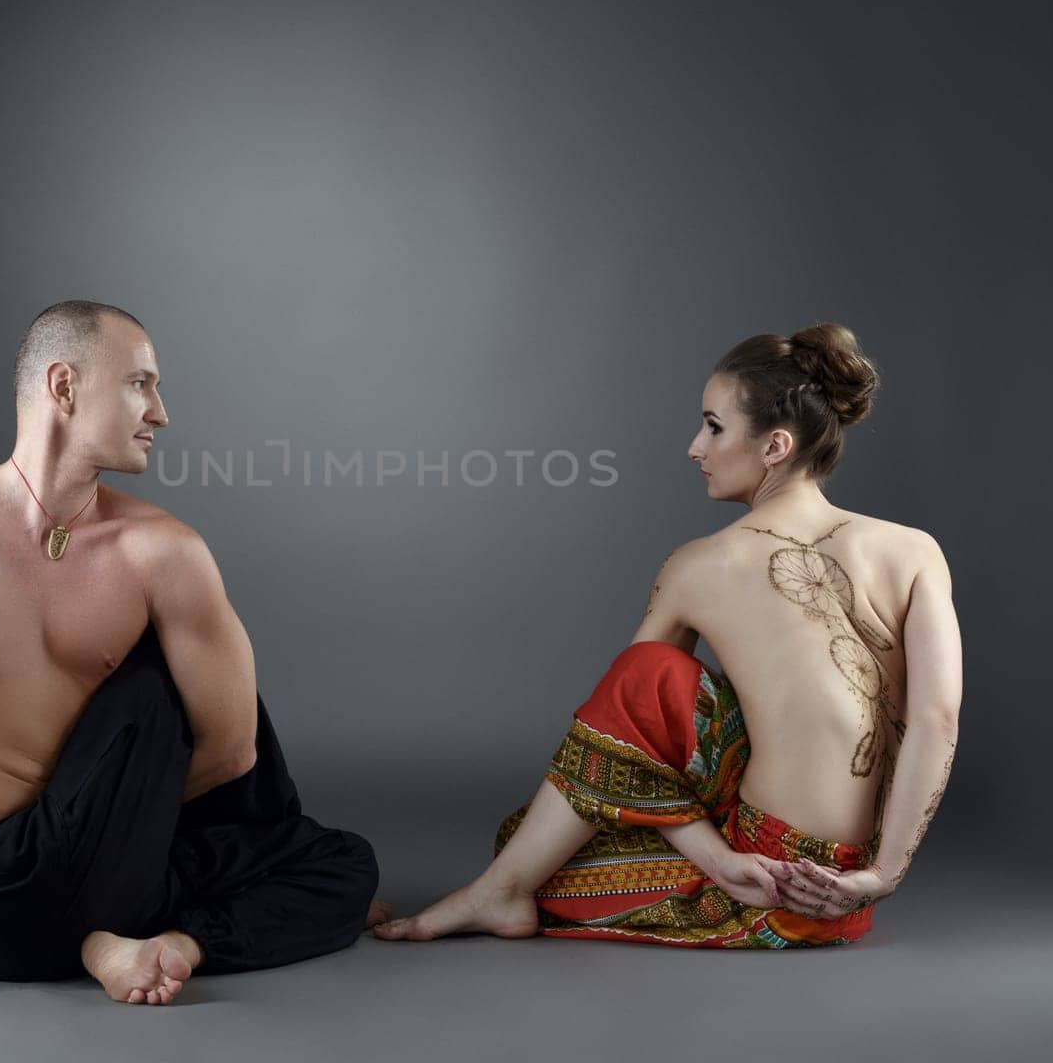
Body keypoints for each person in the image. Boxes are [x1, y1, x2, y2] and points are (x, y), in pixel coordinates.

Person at [0, 300, 386, 1003]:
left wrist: (122, 837)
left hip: (64, 897)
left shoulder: (162, 551)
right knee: (163, 688)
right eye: (140, 384)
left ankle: (145, 943)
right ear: (64, 387)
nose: (161, 413)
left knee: (346, 862)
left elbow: (236, 754)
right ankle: (153, 929)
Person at [373, 322, 961, 948]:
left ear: (775, 446)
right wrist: (880, 876)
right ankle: (507, 887)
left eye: (713, 427)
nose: (694, 448)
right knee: (610, 761)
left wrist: (720, 863)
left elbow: (619, 733)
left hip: (768, 891)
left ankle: (501, 890)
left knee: (546, 816)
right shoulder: (914, 550)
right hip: (845, 896)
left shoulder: (698, 565)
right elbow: (936, 718)